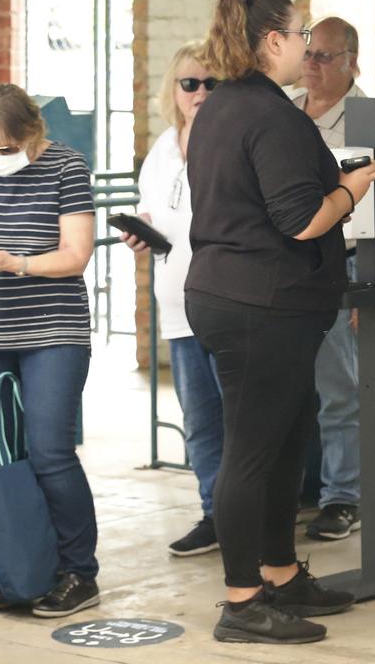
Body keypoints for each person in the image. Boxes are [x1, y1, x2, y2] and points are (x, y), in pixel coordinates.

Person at [186, 0, 375, 644]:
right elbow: (301, 220)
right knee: (253, 449)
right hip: (257, 304)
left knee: (287, 436)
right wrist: (351, 188)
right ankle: (243, 600)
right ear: (272, 41)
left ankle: (280, 571)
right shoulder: (269, 116)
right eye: (300, 36)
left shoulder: (223, 106)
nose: (306, 49)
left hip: (247, 296)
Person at [0, 84, 99, 618]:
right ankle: (7, 563)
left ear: (33, 132)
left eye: (7, 149)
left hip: (53, 332)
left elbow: (75, 256)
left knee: (49, 451)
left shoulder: (68, 167)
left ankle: (78, 571)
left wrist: (15, 262)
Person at [291, 15, 375, 541]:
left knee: (339, 390)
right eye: (308, 52)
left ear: (351, 62)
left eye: (324, 56)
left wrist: (370, 288)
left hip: (340, 268)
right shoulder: (287, 108)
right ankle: (298, 489)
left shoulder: (362, 116)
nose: (311, 64)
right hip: (287, 270)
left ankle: (343, 497)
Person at [121, 42, 225, 557]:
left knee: (242, 421)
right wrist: (142, 232)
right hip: (178, 305)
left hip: (229, 303)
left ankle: (255, 517)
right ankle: (215, 514)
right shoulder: (163, 148)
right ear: (174, 90)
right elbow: (154, 214)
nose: (200, 93)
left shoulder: (231, 141)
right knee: (201, 422)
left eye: (211, 83)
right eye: (190, 84)